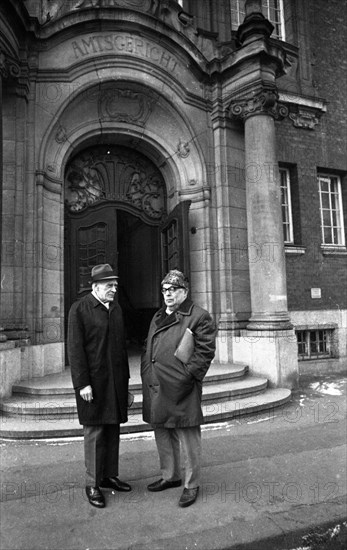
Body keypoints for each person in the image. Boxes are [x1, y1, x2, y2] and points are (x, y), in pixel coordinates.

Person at [141, 269, 216, 508]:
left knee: (187, 433)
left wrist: (186, 377)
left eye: (173, 290)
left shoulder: (199, 316)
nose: (167, 294)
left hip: (182, 385)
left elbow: (205, 353)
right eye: (164, 290)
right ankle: (170, 476)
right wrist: (147, 371)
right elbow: (149, 346)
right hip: (157, 382)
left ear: (184, 292)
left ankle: (191, 484)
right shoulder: (158, 315)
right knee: (162, 429)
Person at [67, 263, 132, 509]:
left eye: (115, 285)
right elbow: (75, 350)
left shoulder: (116, 309)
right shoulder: (79, 309)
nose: (114, 289)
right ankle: (92, 483)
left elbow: (121, 349)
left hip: (115, 381)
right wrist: (82, 383)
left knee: (113, 427)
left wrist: (126, 383)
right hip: (92, 383)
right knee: (94, 431)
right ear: (95, 286)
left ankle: (108, 476)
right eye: (109, 285)